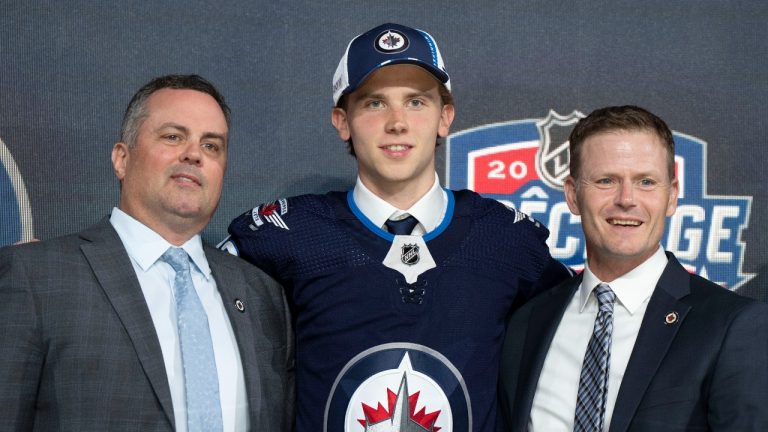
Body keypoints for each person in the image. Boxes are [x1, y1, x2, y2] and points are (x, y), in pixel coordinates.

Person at [220, 23, 570, 431]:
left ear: (446, 117)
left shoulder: (503, 239)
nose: (397, 123)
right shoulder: (290, 234)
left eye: (417, 102)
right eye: (374, 104)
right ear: (342, 121)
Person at [0, 74, 294, 431]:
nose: (193, 154)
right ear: (122, 159)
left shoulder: (262, 295)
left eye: (212, 146)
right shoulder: (36, 278)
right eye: (173, 137)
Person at [498, 105, 768, 431]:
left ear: (672, 196)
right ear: (572, 195)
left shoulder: (731, 325)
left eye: (646, 182)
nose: (627, 199)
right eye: (606, 180)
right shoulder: (528, 322)